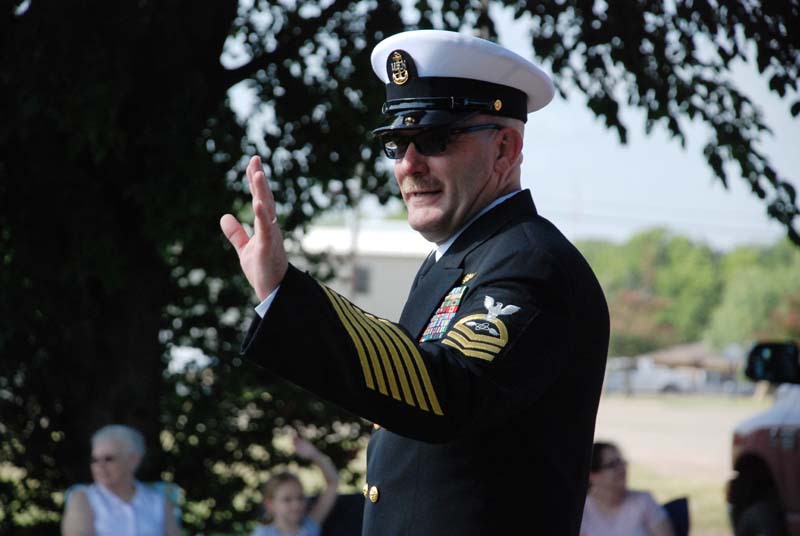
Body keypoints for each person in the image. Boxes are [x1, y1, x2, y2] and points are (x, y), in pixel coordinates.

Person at [221, 29, 609, 535]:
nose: (408, 164)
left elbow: (447, 391)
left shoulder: (532, 263)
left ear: (505, 149)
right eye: (395, 143)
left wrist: (287, 296)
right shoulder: (462, 260)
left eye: (434, 139)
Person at [61, 424, 180, 536]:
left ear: (133, 460)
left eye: (108, 459)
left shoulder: (158, 502)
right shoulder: (82, 499)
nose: (100, 466)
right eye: (95, 460)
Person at [581, 441, 675, 536]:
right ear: (593, 475)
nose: (622, 468)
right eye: (612, 465)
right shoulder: (582, 510)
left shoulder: (644, 501)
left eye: (621, 462)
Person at [251, 434, 339, 536]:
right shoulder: (263, 533)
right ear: (270, 504)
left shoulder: (309, 526)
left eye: (300, 497)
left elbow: (333, 483)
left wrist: (314, 455)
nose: (296, 505)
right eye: (287, 499)